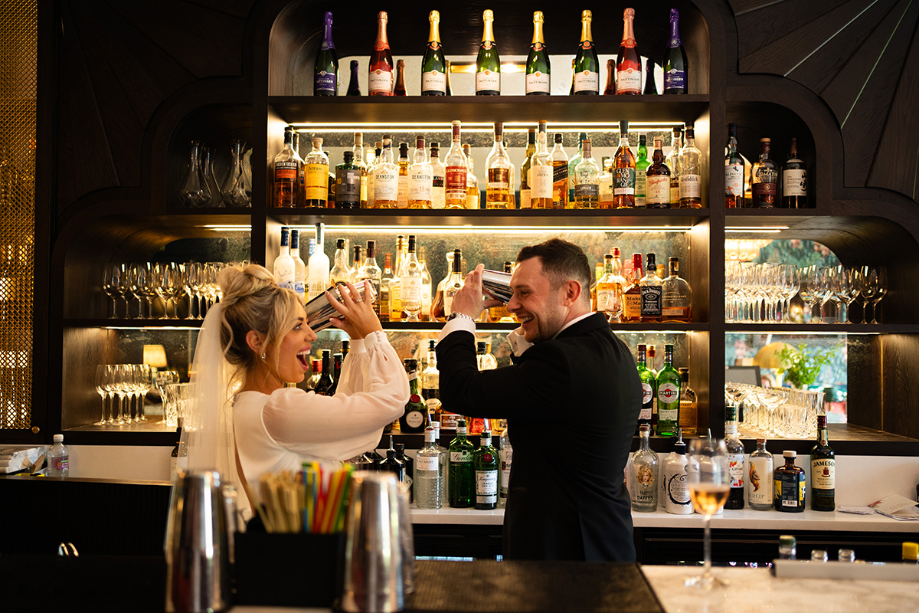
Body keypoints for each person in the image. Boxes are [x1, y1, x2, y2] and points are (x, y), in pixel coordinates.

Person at [436, 238, 641, 561]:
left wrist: (461, 316)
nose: (511, 305)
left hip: (563, 556)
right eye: (512, 292)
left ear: (570, 292)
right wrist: (526, 319)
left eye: (524, 293)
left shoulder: (562, 362)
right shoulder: (610, 349)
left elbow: (459, 389)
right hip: (604, 542)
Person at [185, 264, 408, 517]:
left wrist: (358, 341)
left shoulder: (251, 405)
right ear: (257, 342)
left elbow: (357, 417)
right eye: (297, 326)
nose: (312, 336)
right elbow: (390, 402)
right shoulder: (278, 410)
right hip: (302, 551)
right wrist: (374, 333)